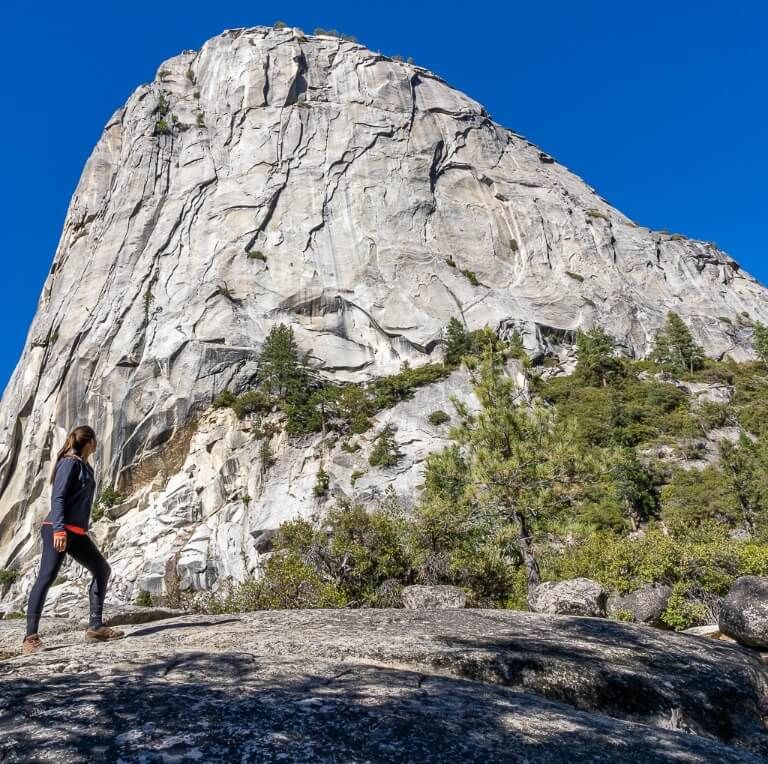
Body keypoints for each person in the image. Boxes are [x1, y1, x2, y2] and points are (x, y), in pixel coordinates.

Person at [22, 425, 124, 654]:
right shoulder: (69, 462)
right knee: (46, 577)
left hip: (77, 532)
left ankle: (95, 627)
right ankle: (30, 638)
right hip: (58, 529)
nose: (97, 444)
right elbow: (57, 498)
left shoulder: (84, 465)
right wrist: (59, 530)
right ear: (90, 441)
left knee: (102, 569)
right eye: (95, 440)